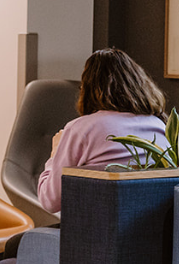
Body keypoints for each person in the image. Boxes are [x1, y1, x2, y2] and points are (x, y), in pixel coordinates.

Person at [37, 48, 169, 213]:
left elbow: (50, 201)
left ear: (88, 88)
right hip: (149, 225)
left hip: (97, 225)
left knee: (29, 232)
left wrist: (54, 154)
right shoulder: (160, 126)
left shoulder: (81, 129)